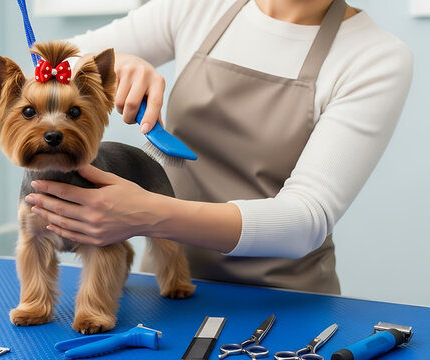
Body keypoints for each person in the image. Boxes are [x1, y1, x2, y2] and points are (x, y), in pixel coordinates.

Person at [23, 0, 413, 294]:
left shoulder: (375, 57)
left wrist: (149, 214)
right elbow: (36, 67)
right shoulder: (200, 5)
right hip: (167, 289)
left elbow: (306, 219)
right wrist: (108, 61)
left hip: (285, 300)